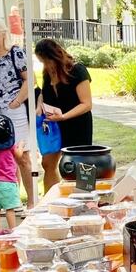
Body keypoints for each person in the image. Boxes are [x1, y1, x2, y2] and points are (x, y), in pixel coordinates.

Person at [0, 15, 33, 208]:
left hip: (15, 114)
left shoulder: (15, 53)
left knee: (22, 157)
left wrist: (17, 101)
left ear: (3, 33)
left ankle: (32, 202)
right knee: (5, 159)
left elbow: (30, 79)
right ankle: (13, 202)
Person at [34, 38, 93, 192]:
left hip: (77, 124)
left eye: (46, 61)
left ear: (54, 57)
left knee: (78, 164)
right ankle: (50, 199)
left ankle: (85, 197)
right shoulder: (48, 73)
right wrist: (40, 102)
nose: (45, 66)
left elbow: (86, 104)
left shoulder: (77, 70)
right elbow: (43, 92)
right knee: (47, 163)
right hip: (54, 125)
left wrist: (64, 116)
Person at [0, 113, 24, 236]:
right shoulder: (10, 146)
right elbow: (18, 155)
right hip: (8, 182)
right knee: (10, 209)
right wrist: (21, 145)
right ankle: (13, 229)